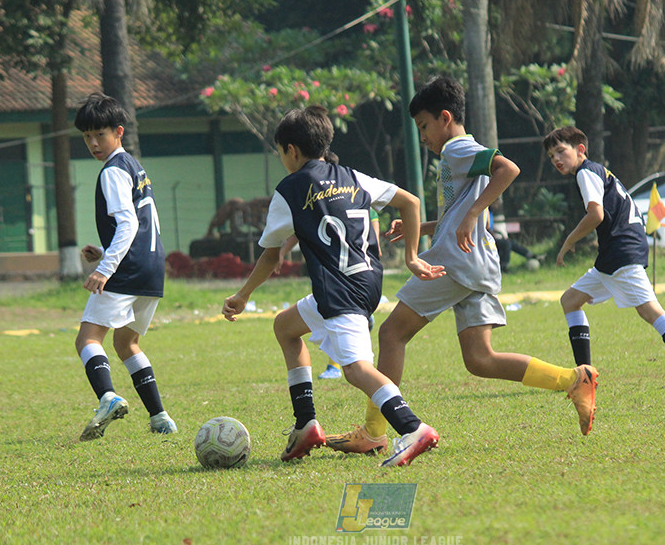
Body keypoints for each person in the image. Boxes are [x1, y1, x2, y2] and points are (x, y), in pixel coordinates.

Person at [326, 77, 598, 456]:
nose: (422, 135)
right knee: (479, 359)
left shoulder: (457, 148)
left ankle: (374, 431)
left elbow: (509, 169)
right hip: (478, 263)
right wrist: (423, 227)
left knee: (391, 335)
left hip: (456, 261)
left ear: (445, 117)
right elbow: (460, 211)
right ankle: (574, 378)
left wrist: (472, 213)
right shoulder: (456, 155)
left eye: (423, 126)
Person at [222, 106, 446, 467]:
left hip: (339, 290)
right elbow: (411, 201)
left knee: (356, 370)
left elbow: (270, 256)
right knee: (285, 327)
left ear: (292, 150)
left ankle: (413, 428)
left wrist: (242, 295)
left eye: (280, 152)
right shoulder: (353, 176)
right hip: (367, 281)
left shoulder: (290, 189)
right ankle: (306, 423)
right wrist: (411, 256)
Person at [543, 125, 665, 388]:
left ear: (580, 150)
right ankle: (585, 376)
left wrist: (570, 239)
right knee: (570, 300)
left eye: (560, 151)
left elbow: (595, 215)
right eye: (551, 155)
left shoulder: (586, 173)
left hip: (622, 251)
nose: (555, 159)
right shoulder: (597, 171)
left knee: (649, 311)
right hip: (615, 254)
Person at [73, 93, 177, 441]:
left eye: (99, 135)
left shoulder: (112, 172)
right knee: (127, 342)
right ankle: (160, 416)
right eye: (87, 136)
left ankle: (107, 397)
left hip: (127, 270)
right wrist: (104, 252)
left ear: (118, 131)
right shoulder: (134, 166)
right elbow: (141, 225)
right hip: (151, 269)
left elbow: (129, 224)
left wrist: (105, 269)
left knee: (87, 338)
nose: (93, 143)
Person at [272, 150, 381, 380]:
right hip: (347, 281)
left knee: (358, 370)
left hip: (345, 283)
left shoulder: (346, 196)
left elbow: (374, 236)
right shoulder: (353, 192)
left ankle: (406, 417)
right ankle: (307, 415)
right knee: (285, 325)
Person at [488, 199, 540, 272]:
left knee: (510, 242)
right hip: (488, 240)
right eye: (496, 204)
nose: (497, 206)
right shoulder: (486, 213)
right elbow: (487, 229)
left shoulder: (491, 213)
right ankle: (504, 266)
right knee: (507, 243)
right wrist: (494, 237)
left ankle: (530, 255)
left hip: (492, 238)